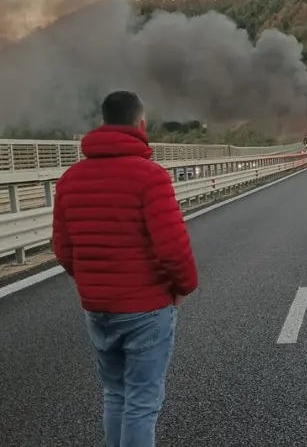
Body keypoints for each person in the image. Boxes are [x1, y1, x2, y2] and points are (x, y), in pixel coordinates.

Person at [52, 90, 198, 447]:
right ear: (141, 123)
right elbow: (173, 248)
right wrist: (183, 288)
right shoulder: (151, 177)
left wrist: (91, 284)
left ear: (102, 122)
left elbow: (63, 248)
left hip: (97, 309)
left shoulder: (70, 178)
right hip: (146, 309)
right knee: (142, 402)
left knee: (115, 395)